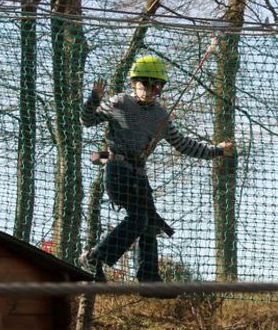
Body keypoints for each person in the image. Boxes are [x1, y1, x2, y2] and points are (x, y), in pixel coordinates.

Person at [78, 54, 234, 282]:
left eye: (158, 86)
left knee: (150, 222)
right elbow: (87, 120)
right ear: (134, 83)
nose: (152, 90)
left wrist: (215, 150)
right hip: (117, 170)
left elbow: (183, 144)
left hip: (139, 174)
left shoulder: (160, 116)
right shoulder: (119, 103)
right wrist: (93, 99)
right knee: (139, 219)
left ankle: (149, 277)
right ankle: (94, 258)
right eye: (147, 84)